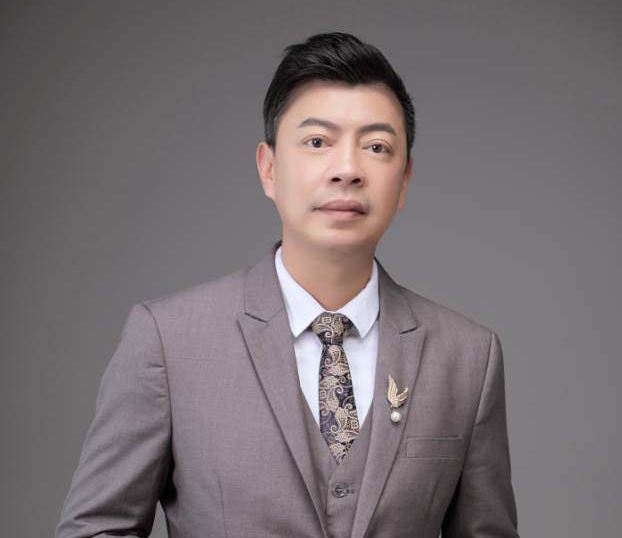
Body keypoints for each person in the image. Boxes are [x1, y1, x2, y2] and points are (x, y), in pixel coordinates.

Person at [57, 32, 519, 538]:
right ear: (269, 168)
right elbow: (95, 529)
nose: (348, 169)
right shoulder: (169, 340)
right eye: (318, 142)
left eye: (376, 147)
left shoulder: (468, 357)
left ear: (404, 180)